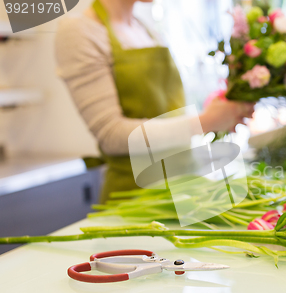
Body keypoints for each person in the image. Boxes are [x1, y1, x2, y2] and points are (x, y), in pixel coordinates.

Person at [55, 0, 253, 202]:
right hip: (136, 201)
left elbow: (167, 114)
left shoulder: (144, 28)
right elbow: (111, 134)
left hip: (185, 191)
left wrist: (219, 115)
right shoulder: (79, 31)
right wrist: (205, 122)